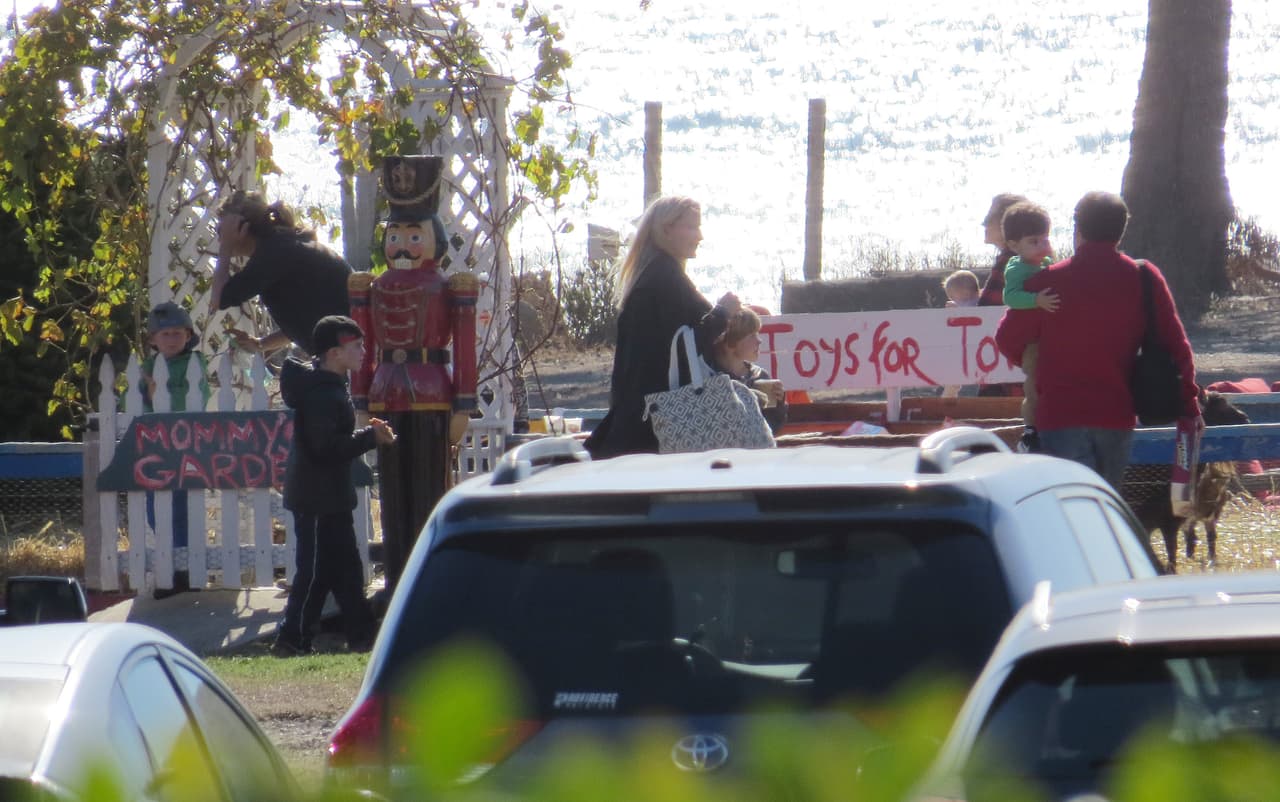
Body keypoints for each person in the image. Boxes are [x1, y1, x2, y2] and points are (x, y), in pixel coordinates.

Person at [995, 191, 1202, 490]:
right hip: (1117, 414)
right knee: (1104, 509)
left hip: (1059, 415)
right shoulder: (1144, 277)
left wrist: (1037, 362)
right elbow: (1177, 346)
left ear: (1078, 230)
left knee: (1074, 511)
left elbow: (1007, 339)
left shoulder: (1046, 283)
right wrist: (1190, 405)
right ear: (1121, 230)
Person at [348, 155, 478, 596]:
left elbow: (464, 347)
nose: (402, 245)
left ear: (434, 240)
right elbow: (362, 348)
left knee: (428, 485)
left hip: (431, 391)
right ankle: (397, 574)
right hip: (387, 392)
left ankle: (429, 575)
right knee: (393, 491)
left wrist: (464, 402)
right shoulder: (372, 287)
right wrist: (361, 398)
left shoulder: (448, 286)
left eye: (413, 236)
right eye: (396, 236)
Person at [274, 315, 394, 655]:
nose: (362, 351)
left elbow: (331, 442)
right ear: (333, 353)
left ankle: (361, 635)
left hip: (331, 498)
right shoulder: (322, 395)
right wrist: (370, 438)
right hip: (315, 499)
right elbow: (324, 449)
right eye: (355, 346)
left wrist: (367, 435)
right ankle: (291, 637)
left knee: (346, 569)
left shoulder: (329, 389)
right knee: (312, 572)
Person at [585, 196, 739, 458]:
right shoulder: (665, 279)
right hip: (659, 421)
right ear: (666, 230)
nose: (699, 236)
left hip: (638, 414)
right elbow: (680, 349)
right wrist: (722, 313)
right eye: (692, 227)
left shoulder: (654, 273)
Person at [209, 190, 352, 356]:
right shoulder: (281, 245)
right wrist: (261, 344)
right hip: (348, 346)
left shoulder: (272, 254)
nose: (220, 238)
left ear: (242, 227)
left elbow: (217, 299)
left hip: (350, 351)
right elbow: (307, 316)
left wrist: (226, 247)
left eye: (222, 230)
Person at [141, 301, 211, 596]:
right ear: (153, 340)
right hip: (154, 448)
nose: (171, 339)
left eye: (177, 333)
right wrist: (145, 392)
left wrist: (161, 393)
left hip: (185, 446)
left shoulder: (194, 364)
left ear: (188, 335)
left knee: (184, 509)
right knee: (156, 510)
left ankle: (185, 572)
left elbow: (192, 399)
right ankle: (168, 569)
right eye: (165, 334)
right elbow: (128, 405)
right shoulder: (145, 368)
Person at [1000, 202, 1061, 451]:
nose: (1042, 245)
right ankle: (1030, 429)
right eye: (1033, 241)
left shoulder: (1047, 263)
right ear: (1015, 246)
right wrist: (1035, 300)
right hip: (1032, 342)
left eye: (1045, 239)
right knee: (1033, 383)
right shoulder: (1017, 269)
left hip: (1048, 337)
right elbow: (1010, 297)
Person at [706, 306, 788, 435]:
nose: (759, 340)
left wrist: (779, 404)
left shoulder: (760, 376)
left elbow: (772, 427)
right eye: (751, 335)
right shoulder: (710, 377)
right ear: (730, 343)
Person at [977, 193, 1030, 307]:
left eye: (990, 217)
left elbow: (986, 310)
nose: (984, 223)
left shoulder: (1009, 262)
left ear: (1006, 222)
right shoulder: (1030, 258)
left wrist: (962, 309)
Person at [940, 270, 981, 398]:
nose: (951, 299)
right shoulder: (981, 301)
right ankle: (951, 386)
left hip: (967, 346)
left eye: (952, 296)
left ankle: (952, 387)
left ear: (965, 293)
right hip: (974, 345)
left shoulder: (968, 304)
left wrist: (953, 310)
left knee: (952, 363)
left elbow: (967, 313)